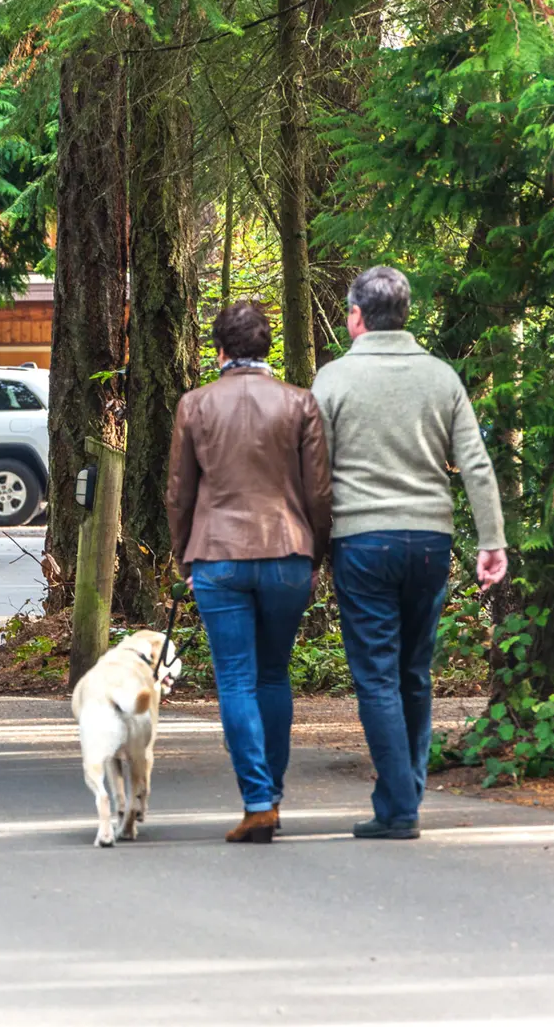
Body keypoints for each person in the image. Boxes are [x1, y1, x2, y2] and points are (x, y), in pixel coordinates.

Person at [312, 265, 508, 840]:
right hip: (429, 542)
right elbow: (474, 462)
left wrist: (312, 546)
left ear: (355, 316)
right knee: (414, 671)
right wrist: (491, 540)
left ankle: (399, 807)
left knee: (375, 676)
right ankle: (406, 791)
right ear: (405, 314)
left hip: (362, 542)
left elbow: (313, 472)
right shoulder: (440, 377)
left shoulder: (333, 380)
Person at [167, 303, 334, 844]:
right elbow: (319, 492)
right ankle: (274, 795)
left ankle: (257, 800)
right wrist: (315, 555)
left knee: (235, 679)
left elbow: (180, 493)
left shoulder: (194, 406)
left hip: (218, 556)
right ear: (267, 348)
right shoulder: (299, 402)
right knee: (273, 674)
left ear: (219, 349)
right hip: (287, 551)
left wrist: (184, 556)